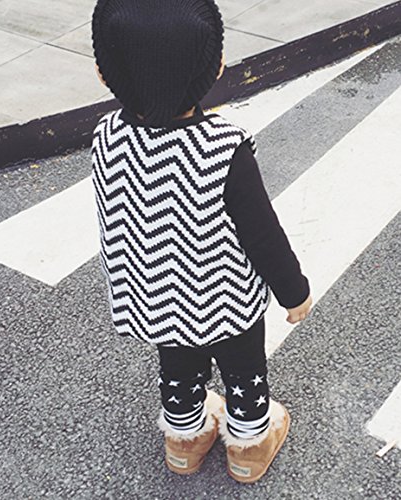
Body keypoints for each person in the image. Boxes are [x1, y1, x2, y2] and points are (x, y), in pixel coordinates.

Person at [91, 0, 312, 484]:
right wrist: (293, 291)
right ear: (216, 66)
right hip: (224, 299)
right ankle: (248, 448)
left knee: (178, 368)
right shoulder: (222, 147)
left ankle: (184, 441)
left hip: (157, 298)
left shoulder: (106, 136)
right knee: (244, 372)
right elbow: (261, 232)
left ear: (104, 73)